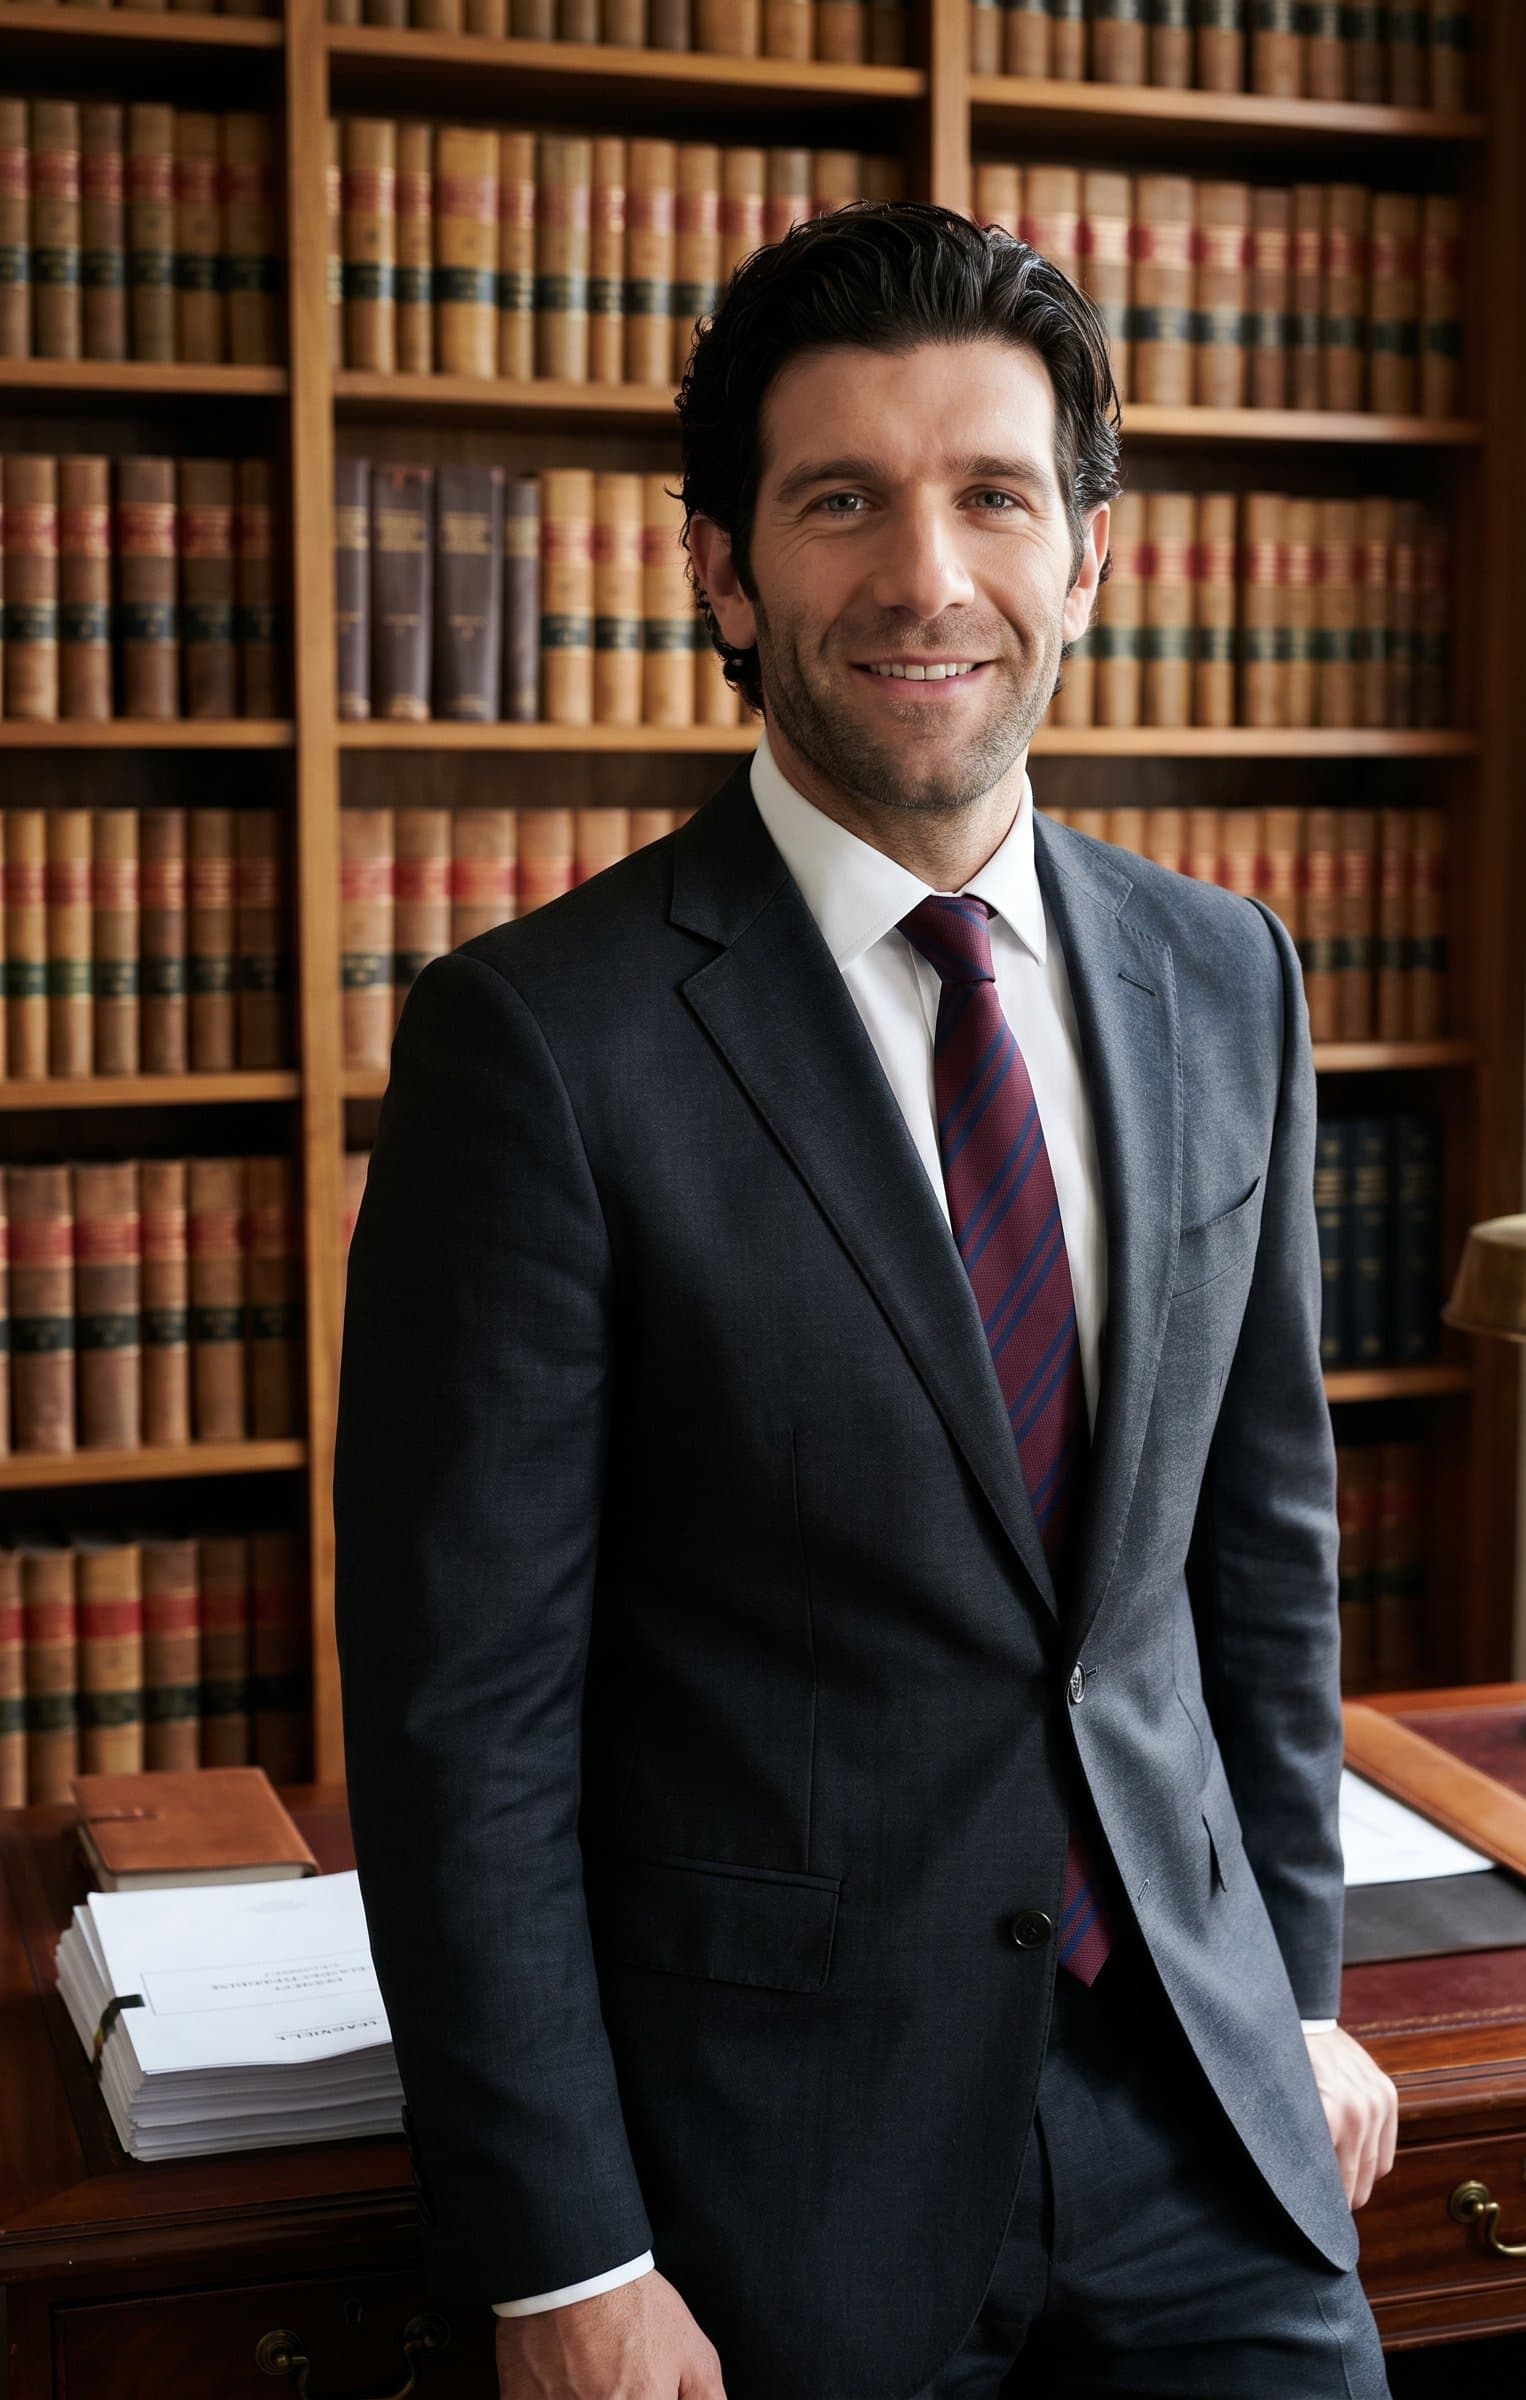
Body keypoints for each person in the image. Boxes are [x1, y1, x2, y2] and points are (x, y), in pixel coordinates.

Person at [334, 198, 1399, 2400]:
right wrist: (560, 2261)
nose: (924, 578)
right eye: (841, 502)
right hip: (767, 2196)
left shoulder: (1229, 980)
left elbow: (1254, 1567)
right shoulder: (535, 1044)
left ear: (1090, 555)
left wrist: (1293, 1989)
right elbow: (465, 1724)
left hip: (1206, 2137)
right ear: (721, 569)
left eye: (993, 496)